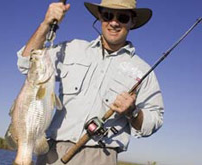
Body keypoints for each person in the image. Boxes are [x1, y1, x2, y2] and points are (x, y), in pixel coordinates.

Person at [17, 0, 164, 164]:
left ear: (132, 21)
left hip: (100, 157)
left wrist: (133, 112)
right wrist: (46, 24)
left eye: (122, 17)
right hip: (52, 153)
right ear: (100, 17)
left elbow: (155, 120)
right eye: (108, 15)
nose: (114, 23)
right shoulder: (72, 48)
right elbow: (26, 64)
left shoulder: (143, 70)